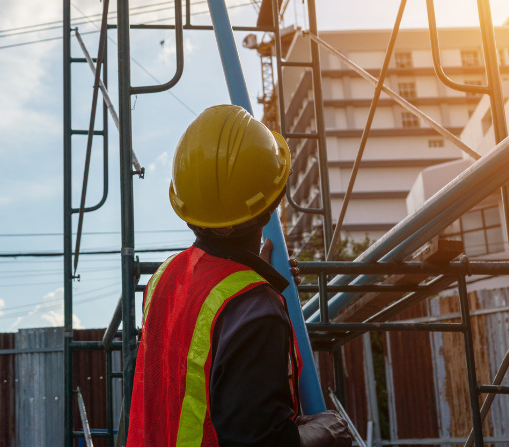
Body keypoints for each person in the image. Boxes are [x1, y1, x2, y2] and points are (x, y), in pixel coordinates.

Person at [126, 105, 352, 447]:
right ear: (273, 202)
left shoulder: (163, 278)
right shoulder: (255, 310)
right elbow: (259, 440)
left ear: (187, 213)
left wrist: (252, 271)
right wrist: (326, 430)